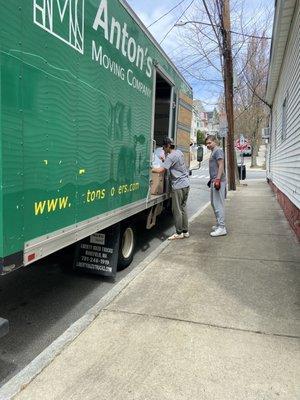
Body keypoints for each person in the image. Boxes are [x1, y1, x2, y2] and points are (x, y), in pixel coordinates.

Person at [152, 137, 190, 240]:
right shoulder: (179, 153)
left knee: (176, 210)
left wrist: (150, 168)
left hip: (178, 186)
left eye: (164, 148)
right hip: (186, 184)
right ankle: (185, 231)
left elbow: (161, 170)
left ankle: (178, 233)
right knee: (183, 208)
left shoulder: (170, 157)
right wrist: (165, 160)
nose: (163, 150)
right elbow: (173, 163)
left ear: (168, 146)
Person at [205, 135, 227, 237]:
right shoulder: (213, 151)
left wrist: (218, 179)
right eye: (207, 144)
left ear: (215, 142)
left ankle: (222, 228)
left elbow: (221, 165)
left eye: (209, 143)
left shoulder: (218, 151)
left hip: (219, 181)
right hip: (214, 180)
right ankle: (219, 224)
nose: (208, 145)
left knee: (218, 205)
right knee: (214, 204)